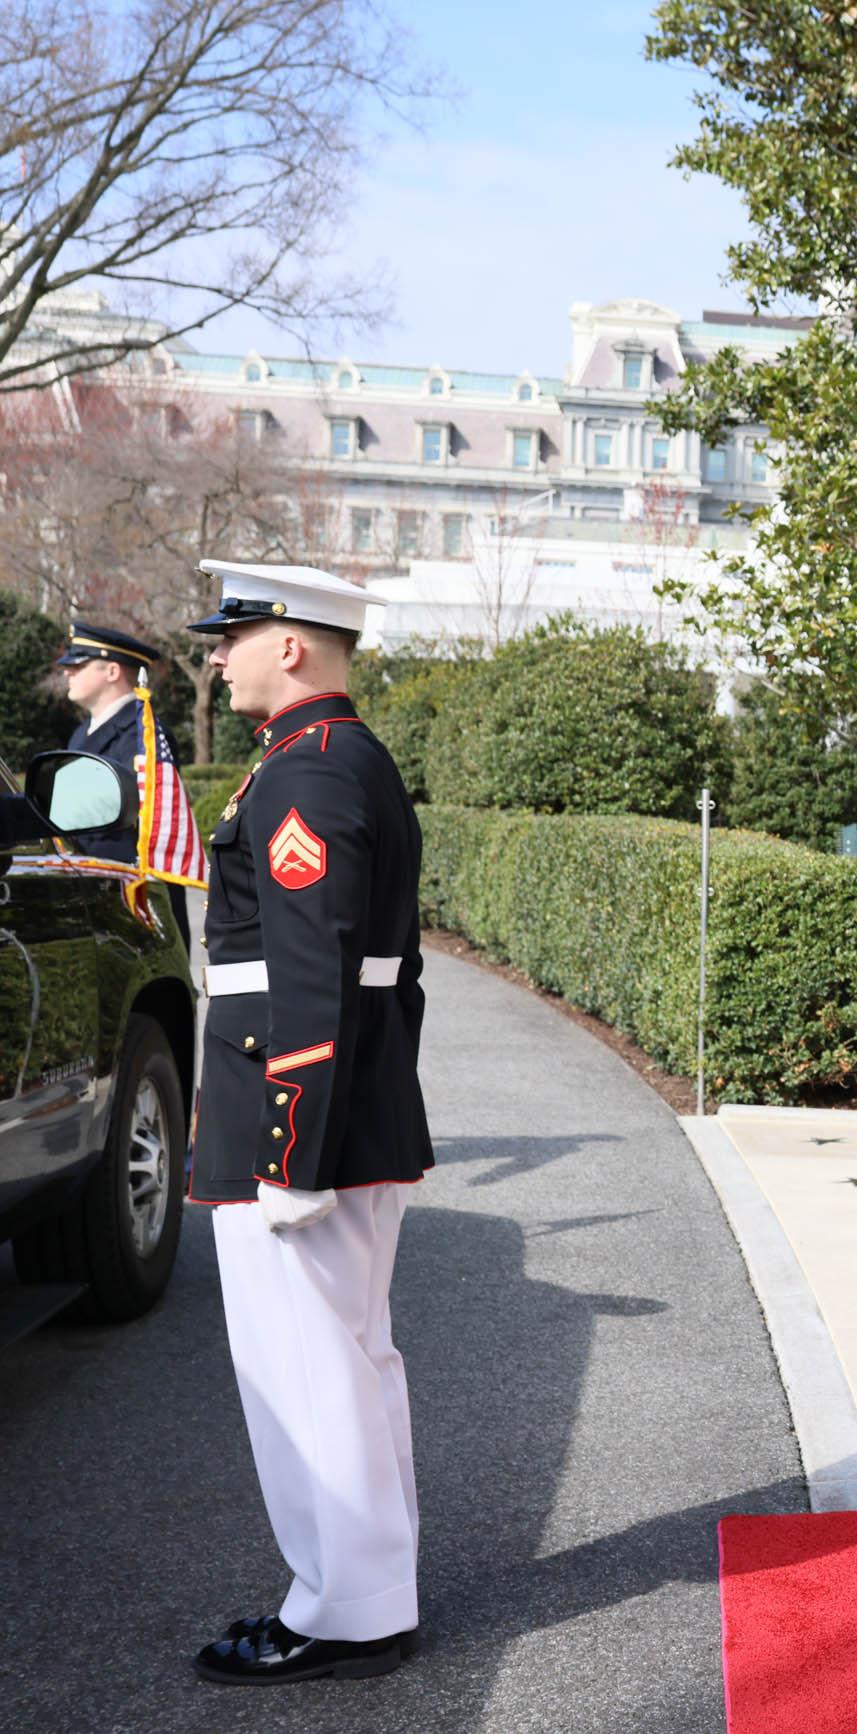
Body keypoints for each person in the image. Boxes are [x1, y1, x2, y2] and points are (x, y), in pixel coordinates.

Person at [183, 562, 434, 1687]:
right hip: (337, 1113)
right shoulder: (332, 756)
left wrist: (291, 1152)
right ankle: (366, 1593)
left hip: (292, 1126)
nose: (215, 656)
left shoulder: (310, 769)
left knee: (308, 1371)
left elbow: (314, 973)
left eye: (231, 637)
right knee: (348, 1362)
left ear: (289, 645)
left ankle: (345, 1613)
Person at [55, 621, 193, 945]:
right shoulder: (84, 731)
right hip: (91, 891)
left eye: (78, 665)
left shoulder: (143, 734)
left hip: (129, 903)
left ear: (112, 671)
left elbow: (148, 826)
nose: (67, 672)